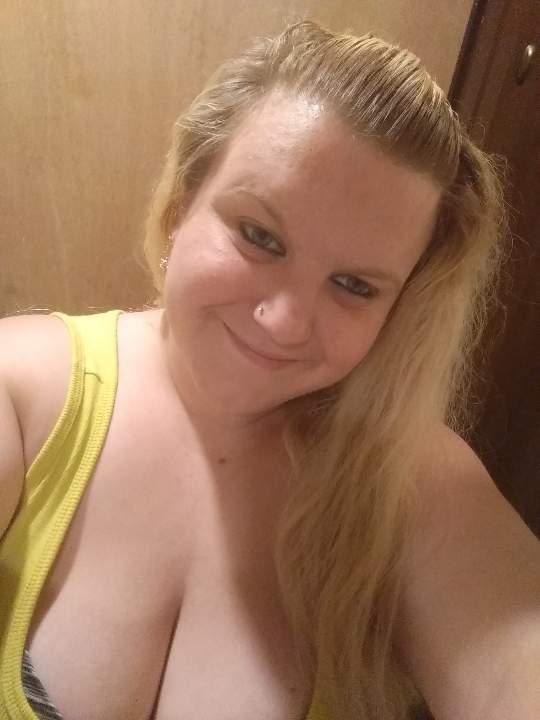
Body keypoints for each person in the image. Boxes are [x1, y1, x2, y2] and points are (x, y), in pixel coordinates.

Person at [1, 18, 539, 720]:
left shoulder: (407, 480)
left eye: (354, 285)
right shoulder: (22, 389)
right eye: (260, 236)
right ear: (181, 206)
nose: (284, 321)